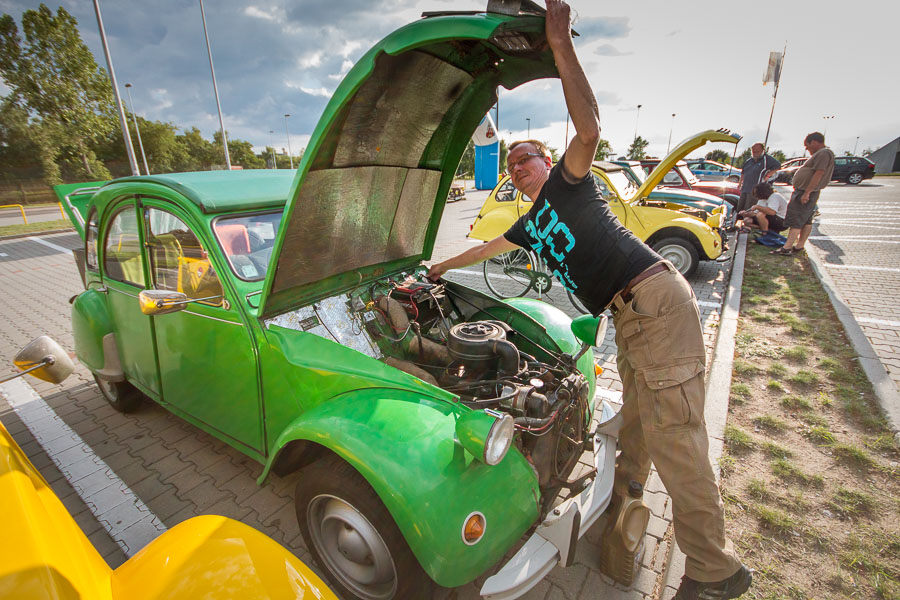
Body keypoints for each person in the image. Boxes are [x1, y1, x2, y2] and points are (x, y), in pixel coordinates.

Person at [427, 2, 751, 598]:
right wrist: (438, 266)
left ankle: (714, 571)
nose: (519, 166)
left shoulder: (567, 183)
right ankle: (624, 514)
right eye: (512, 161)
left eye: (527, 156)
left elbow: (590, 129)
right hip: (631, 319)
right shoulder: (534, 219)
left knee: (677, 439)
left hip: (654, 302)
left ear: (546, 161)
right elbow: (486, 247)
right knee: (637, 424)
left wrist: (559, 46)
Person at [771, 132, 834, 256]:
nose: (806, 148)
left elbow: (818, 173)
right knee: (806, 220)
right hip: (807, 191)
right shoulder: (823, 154)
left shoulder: (823, 154)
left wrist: (807, 192)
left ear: (814, 142)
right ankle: (799, 246)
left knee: (797, 219)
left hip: (806, 191)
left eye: (807, 145)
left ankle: (787, 247)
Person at [737, 143, 781, 216]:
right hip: (745, 188)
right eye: (753, 151)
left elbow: (778, 165)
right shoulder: (749, 161)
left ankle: (747, 225)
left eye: (757, 151)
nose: (755, 154)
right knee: (740, 208)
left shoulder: (766, 159)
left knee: (748, 209)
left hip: (755, 190)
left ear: (762, 151)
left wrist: (768, 175)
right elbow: (743, 172)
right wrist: (740, 183)